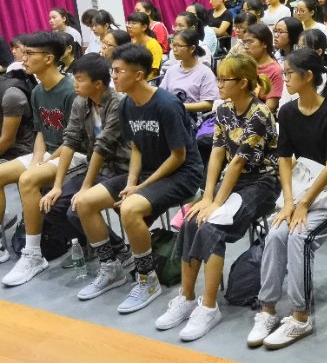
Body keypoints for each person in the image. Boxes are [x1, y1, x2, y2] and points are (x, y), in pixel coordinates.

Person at [155, 53, 280, 341]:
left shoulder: (260, 114)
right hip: (232, 183)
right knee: (191, 220)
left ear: (243, 83)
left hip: (262, 184)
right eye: (219, 78)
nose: (219, 84)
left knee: (212, 226)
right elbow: (217, 154)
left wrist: (215, 203)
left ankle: (209, 307)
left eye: (225, 79)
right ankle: (187, 297)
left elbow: (237, 164)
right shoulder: (224, 109)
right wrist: (207, 195)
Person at [73, 43, 203, 313]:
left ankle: (147, 278)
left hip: (182, 174)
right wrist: (132, 183)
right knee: (85, 202)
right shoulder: (127, 105)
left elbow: (178, 156)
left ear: (139, 75)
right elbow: (136, 149)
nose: (114, 77)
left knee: (130, 209)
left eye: (118, 71)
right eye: (113, 70)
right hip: (146, 173)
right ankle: (111, 268)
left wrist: (141, 187)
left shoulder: (167, 105)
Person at [249, 48, 327, 350]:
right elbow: (285, 158)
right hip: (303, 190)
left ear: (308, 76)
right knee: (276, 233)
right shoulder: (287, 112)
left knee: (300, 237)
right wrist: (289, 202)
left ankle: (300, 316)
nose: (284, 78)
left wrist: (304, 205)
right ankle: (267, 309)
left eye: (288, 73)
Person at [22, 54, 130, 291]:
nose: (75, 84)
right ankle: (117, 249)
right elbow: (69, 141)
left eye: (80, 79)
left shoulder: (119, 103)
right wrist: (57, 186)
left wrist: (84, 188)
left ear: (98, 84)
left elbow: (103, 145)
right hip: (99, 169)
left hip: (125, 171)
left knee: (77, 208)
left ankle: (110, 263)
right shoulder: (82, 102)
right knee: (52, 205)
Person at [0, 33, 76, 274]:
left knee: (28, 179)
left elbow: (75, 140)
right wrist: (36, 161)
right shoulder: (37, 91)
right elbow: (40, 133)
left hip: (75, 153)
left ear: (49, 58)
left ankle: (33, 254)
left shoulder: (71, 90)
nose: (23, 59)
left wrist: (44, 163)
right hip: (48, 153)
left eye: (29, 54)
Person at [160, 29, 219, 120]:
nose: (174, 49)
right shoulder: (172, 70)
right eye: (173, 45)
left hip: (193, 120)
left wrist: (181, 106)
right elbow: (161, 93)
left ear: (192, 49)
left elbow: (209, 103)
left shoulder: (205, 73)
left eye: (179, 46)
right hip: (171, 116)